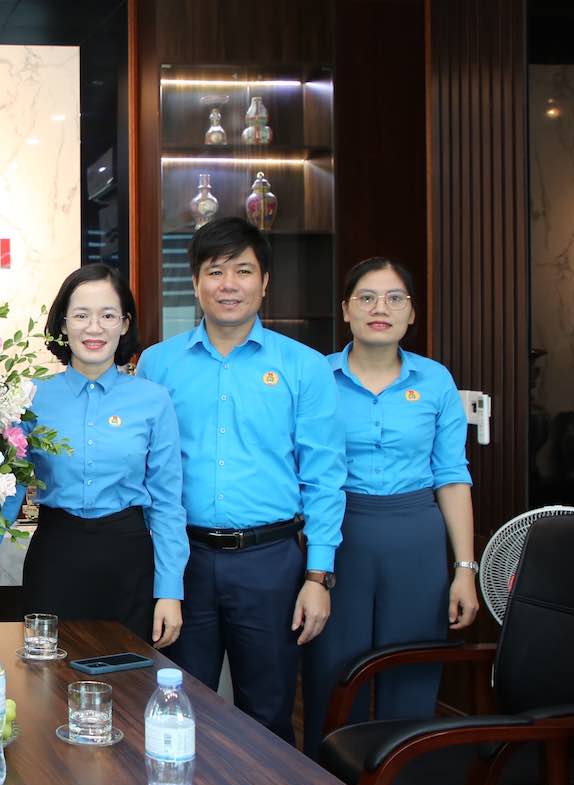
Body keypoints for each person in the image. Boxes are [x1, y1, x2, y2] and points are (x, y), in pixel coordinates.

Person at [136, 216, 346, 745]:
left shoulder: (304, 367)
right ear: (196, 282)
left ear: (265, 281)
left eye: (243, 271)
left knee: (269, 715)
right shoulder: (158, 365)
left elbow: (324, 476)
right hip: (185, 560)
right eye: (215, 271)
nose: (229, 284)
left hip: (271, 562)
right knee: (180, 708)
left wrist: (317, 578)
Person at [0, 265, 187, 647]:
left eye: (108, 315)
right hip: (55, 557)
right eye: (81, 315)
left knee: (128, 685)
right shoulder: (30, 398)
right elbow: (8, 495)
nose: (94, 328)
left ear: (125, 324)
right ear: (63, 324)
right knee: (49, 685)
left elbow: (167, 504)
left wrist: (170, 591)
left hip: (130, 561)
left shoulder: (153, 401)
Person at [301, 258, 479, 755]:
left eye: (395, 298)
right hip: (339, 533)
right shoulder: (317, 377)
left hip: (416, 536)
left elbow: (452, 475)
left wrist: (464, 568)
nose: (381, 309)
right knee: (332, 673)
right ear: (346, 310)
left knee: (413, 671)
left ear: (411, 314)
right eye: (367, 297)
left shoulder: (436, 380)